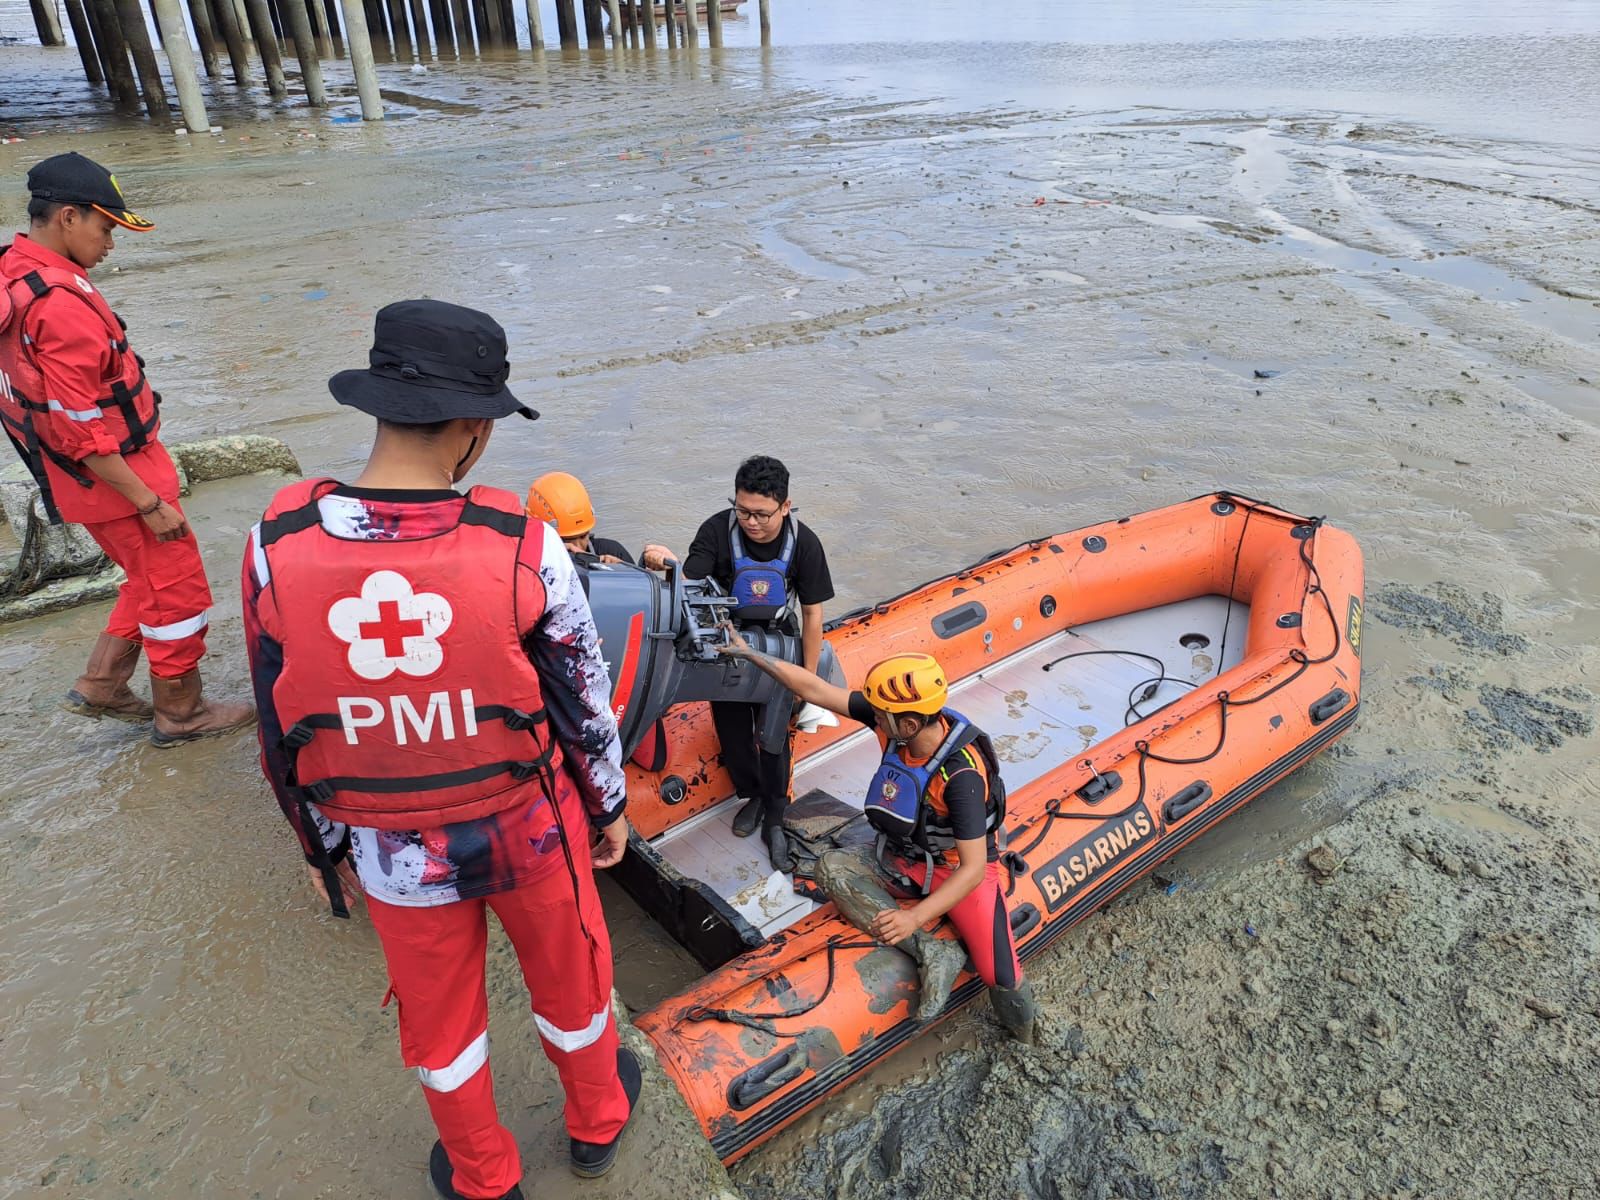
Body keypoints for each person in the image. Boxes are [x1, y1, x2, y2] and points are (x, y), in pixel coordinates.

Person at [241, 300, 641, 1200]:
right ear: (471, 431)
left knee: (440, 1022)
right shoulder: (526, 545)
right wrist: (610, 810)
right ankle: (595, 1129)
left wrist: (319, 847)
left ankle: (482, 1174)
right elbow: (583, 704)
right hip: (529, 827)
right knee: (573, 985)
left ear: (379, 408)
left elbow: (278, 725)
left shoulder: (275, 547)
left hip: (392, 852)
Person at [0, 152, 253, 746]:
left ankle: (103, 683)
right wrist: (147, 502)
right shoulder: (59, 305)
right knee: (178, 591)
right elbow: (80, 427)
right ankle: (182, 712)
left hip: (76, 476)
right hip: (115, 477)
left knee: (146, 576)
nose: (111, 241)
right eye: (105, 227)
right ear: (67, 217)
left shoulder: (13, 271)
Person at [718, 634, 1037, 1042]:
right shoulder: (902, 727)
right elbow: (814, 688)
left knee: (1001, 973)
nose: (874, 717)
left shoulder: (960, 778)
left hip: (953, 870)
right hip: (903, 858)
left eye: (881, 715)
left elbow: (975, 868)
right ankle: (932, 952)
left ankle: (1025, 1038)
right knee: (831, 867)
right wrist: (750, 653)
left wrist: (912, 917)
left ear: (908, 722)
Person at [681, 455, 833, 871]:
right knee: (731, 728)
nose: (751, 522)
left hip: (778, 643)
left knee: (773, 734)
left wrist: (807, 678)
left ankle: (776, 809)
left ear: (785, 506)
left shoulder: (805, 543)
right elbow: (690, 584)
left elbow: (813, 613)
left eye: (761, 514)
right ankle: (751, 795)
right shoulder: (716, 530)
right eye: (742, 511)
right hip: (729, 641)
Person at [525, 470, 675, 569]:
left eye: (583, 536)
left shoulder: (611, 552)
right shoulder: (522, 564)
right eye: (566, 541)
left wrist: (622, 573)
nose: (578, 547)